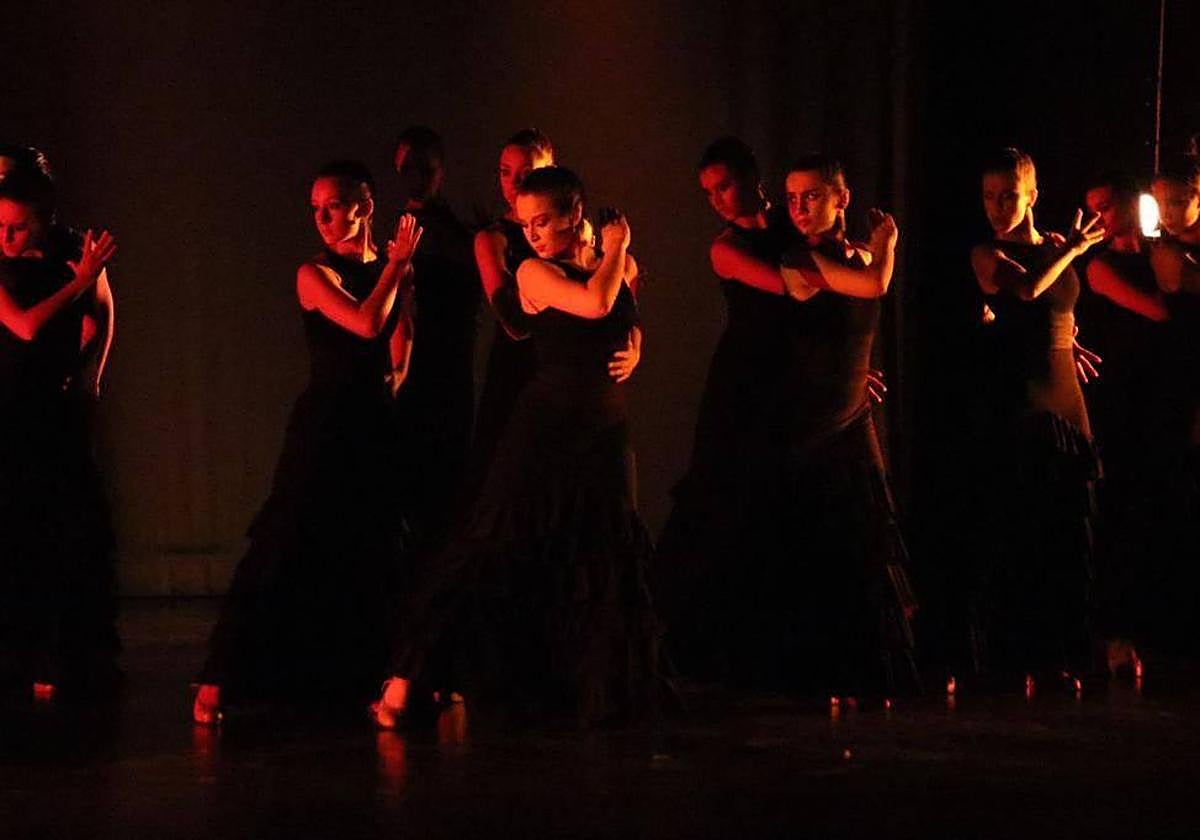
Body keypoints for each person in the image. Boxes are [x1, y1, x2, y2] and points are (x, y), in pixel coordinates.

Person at [372, 167, 659, 728]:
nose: (532, 232)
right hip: (546, 426)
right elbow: (597, 305)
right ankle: (407, 678)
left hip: (603, 430)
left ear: (575, 213)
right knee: (494, 538)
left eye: (544, 220)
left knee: (602, 549)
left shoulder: (611, 265)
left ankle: (591, 690)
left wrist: (638, 349)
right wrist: (619, 250)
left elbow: (625, 316)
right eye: (526, 222)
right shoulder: (532, 270)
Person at [193, 161, 421, 724]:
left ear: (364, 206)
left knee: (370, 547)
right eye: (314, 208)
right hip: (324, 425)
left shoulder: (393, 270)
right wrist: (394, 267)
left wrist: (393, 391)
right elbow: (367, 324)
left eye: (333, 206)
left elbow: (400, 336)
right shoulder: (312, 274)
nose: (320, 218)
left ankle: (356, 675)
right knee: (287, 536)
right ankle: (216, 681)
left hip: (371, 423)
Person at [766, 154, 918, 699]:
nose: (800, 208)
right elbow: (875, 285)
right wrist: (889, 246)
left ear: (840, 198)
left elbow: (854, 323)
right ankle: (824, 674)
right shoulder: (796, 258)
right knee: (825, 543)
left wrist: (861, 372)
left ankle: (867, 672)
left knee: (867, 540)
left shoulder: (853, 255)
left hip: (854, 412)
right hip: (812, 421)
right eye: (792, 198)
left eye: (811, 196)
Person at [968, 147, 1105, 686]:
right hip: (1019, 398)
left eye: (1008, 195)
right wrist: (1070, 250)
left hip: (1066, 393)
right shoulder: (986, 253)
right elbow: (1027, 289)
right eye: (989, 196)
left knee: (1068, 529)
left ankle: (1064, 655)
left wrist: (1070, 341)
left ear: (1031, 195)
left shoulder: (1053, 248)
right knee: (1024, 529)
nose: (998, 206)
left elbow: (1057, 307)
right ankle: (1019, 656)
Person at [0, 165, 119, 698]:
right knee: (17, 529)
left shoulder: (72, 251)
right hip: (9, 408)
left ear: (44, 222)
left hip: (52, 405)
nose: (5, 237)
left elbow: (101, 312)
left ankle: (63, 652)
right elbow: (24, 326)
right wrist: (80, 280)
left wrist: (90, 373)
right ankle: (19, 654)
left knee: (68, 528)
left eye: (18, 228)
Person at [471, 129, 640, 490]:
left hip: (603, 414)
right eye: (505, 171)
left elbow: (625, 305)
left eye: (527, 171)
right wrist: (613, 250)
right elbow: (519, 323)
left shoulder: (600, 254)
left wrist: (634, 344)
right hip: (534, 378)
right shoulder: (518, 256)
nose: (516, 183)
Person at [1079, 173, 1170, 655]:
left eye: (1107, 206)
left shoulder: (1158, 255)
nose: (1099, 217)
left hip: (1161, 395)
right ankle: (1116, 630)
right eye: (1091, 208)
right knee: (1122, 508)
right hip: (1120, 400)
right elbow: (1159, 311)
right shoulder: (1100, 267)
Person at [391, 126, 481, 540]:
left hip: (448, 365)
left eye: (424, 169)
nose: (416, 178)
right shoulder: (401, 230)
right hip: (414, 367)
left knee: (447, 473)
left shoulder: (458, 234)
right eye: (407, 169)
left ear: (440, 171)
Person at [1145, 153, 1200, 656]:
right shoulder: (1163, 250)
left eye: (1179, 201)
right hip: (1177, 383)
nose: (1168, 210)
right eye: (1161, 201)